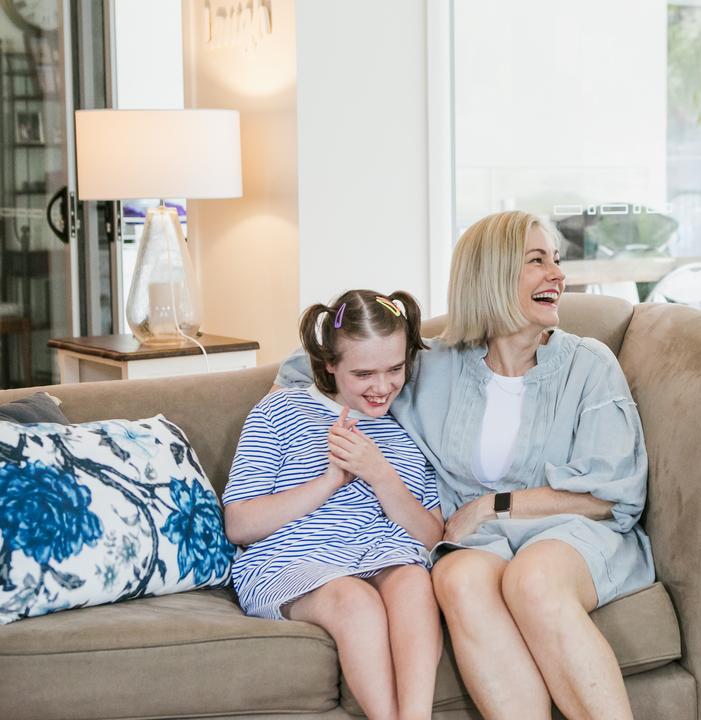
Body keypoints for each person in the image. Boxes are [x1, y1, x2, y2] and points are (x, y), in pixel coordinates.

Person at [276, 211, 655, 720]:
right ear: (492, 275)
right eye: (537, 261)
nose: (557, 275)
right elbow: (315, 359)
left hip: (574, 529)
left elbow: (610, 495)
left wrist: (493, 506)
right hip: (480, 544)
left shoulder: (588, 363)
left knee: (533, 580)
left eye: (557, 261)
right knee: (455, 579)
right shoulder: (436, 365)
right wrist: (287, 404)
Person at [223, 289, 443, 720]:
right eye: (363, 374)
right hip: (291, 563)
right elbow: (239, 524)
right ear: (329, 365)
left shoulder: (404, 429)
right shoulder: (279, 411)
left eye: (395, 369)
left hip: (381, 554)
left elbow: (433, 534)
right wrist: (330, 481)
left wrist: (380, 474)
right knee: (356, 601)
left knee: (415, 583)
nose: (382, 387)